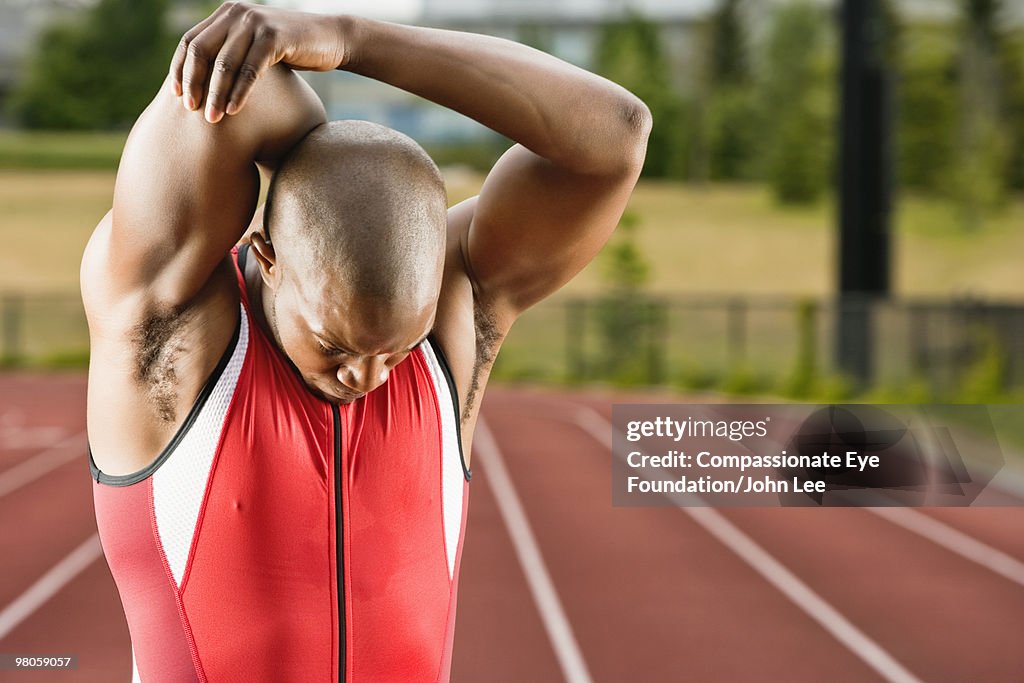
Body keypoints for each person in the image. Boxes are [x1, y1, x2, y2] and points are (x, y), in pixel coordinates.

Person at [82, 2, 650, 681]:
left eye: (397, 348)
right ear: (266, 255)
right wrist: (311, 121)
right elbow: (238, 92)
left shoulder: (453, 319)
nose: (367, 376)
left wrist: (355, 39)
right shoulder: (163, 329)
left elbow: (616, 134)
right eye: (337, 345)